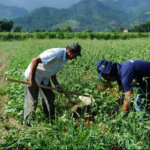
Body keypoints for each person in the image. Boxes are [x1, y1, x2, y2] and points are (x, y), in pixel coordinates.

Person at [24, 42, 82, 126]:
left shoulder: (65, 58)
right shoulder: (56, 54)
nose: (75, 58)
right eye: (75, 55)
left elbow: (53, 70)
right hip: (34, 76)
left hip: (44, 77)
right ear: (69, 51)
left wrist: (57, 85)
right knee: (32, 102)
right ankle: (27, 124)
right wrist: (32, 80)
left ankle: (51, 121)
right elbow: (34, 61)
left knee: (49, 98)